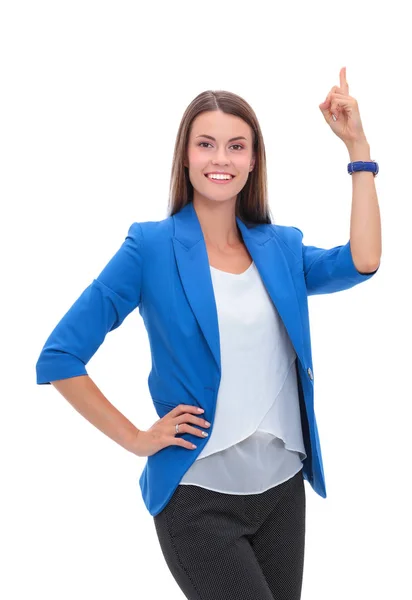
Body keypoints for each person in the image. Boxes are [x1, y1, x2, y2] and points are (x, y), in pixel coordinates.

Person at [36, 68, 381, 600]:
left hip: (282, 490)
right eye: (207, 144)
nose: (221, 159)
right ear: (186, 156)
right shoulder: (149, 248)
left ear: (253, 160)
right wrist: (135, 438)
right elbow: (60, 356)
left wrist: (357, 148)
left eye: (236, 146)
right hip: (197, 497)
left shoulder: (280, 249)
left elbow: (363, 260)